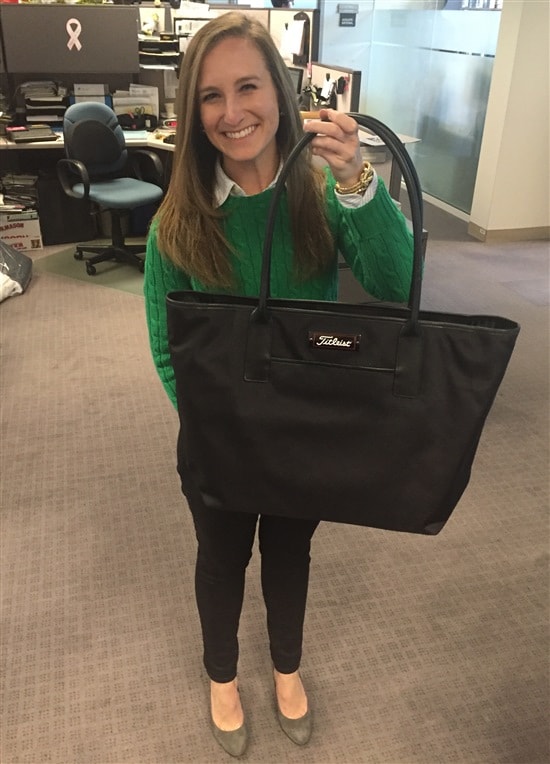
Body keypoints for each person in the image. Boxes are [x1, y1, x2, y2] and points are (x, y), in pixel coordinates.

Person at [144, 11, 413, 758]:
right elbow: (167, 348)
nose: (232, 112)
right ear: (193, 111)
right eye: (211, 95)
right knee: (222, 559)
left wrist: (358, 180)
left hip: (304, 432)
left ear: (281, 93)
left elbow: (397, 284)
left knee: (290, 554)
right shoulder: (178, 222)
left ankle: (287, 667)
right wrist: (217, 428)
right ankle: (222, 676)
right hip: (220, 442)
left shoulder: (320, 192)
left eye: (248, 87)